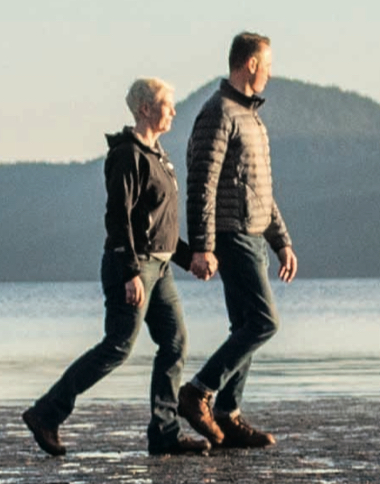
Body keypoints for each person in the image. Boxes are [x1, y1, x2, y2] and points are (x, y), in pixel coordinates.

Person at [23, 77, 211, 458]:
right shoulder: (126, 155)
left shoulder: (158, 155)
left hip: (160, 268)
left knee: (174, 343)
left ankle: (165, 432)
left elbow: (160, 224)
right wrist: (128, 272)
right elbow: (119, 217)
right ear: (144, 109)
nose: (174, 110)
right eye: (166, 104)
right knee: (118, 346)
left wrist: (188, 256)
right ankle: (46, 413)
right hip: (134, 265)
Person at [178, 32, 297, 449]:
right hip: (231, 234)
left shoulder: (251, 117)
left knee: (244, 326)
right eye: (268, 63)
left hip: (253, 233)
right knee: (264, 322)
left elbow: (260, 189)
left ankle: (228, 417)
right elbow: (201, 183)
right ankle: (198, 392)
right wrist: (203, 246)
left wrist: (281, 240)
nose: (271, 71)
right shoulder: (219, 112)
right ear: (250, 64)